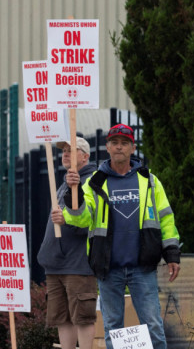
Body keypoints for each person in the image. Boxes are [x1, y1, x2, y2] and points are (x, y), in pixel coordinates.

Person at [52, 124, 181, 349]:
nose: (119, 147)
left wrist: (172, 253)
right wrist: (77, 195)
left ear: (132, 148)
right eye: (114, 143)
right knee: (113, 328)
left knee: (153, 327)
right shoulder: (95, 181)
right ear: (107, 147)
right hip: (108, 267)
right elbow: (81, 219)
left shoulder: (150, 181)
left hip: (143, 266)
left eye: (124, 143)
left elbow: (165, 218)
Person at [37, 137, 98, 349]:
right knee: (61, 317)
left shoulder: (92, 181)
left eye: (72, 150)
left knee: (82, 317)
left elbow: (90, 221)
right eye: (64, 150)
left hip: (78, 264)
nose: (65, 154)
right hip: (56, 263)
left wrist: (67, 219)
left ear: (85, 156)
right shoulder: (64, 183)